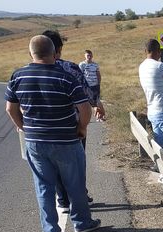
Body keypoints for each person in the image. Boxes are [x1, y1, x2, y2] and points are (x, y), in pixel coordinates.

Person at [5, 35, 101, 232]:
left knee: (43, 186)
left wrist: (23, 127)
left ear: (30, 53)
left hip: (35, 142)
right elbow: (84, 108)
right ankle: (82, 223)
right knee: (75, 183)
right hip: (66, 139)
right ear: (54, 53)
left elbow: (10, 108)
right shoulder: (66, 77)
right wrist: (82, 128)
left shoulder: (17, 76)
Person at [42, 30, 99, 210]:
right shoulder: (71, 68)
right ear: (59, 48)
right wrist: (96, 104)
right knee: (76, 163)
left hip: (43, 127)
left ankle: (63, 200)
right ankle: (79, 198)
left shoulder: (29, 71)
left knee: (54, 166)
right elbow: (87, 93)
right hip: (72, 124)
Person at [79, 49, 102, 119]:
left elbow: (98, 74)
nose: (89, 57)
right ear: (85, 56)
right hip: (86, 86)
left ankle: (98, 116)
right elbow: (80, 75)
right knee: (88, 102)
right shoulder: (82, 64)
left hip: (95, 85)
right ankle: (86, 116)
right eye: (88, 55)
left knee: (96, 101)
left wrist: (99, 83)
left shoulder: (95, 65)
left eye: (90, 55)